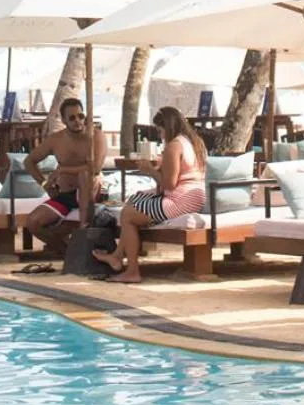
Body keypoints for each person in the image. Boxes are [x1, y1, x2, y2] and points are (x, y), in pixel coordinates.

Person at [93, 107, 207, 285]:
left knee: (127, 215)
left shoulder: (174, 146)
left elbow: (169, 184)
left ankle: (132, 271)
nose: (160, 135)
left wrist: (149, 171)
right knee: (134, 199)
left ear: (167, 127)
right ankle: (116, 256)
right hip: (195, 196)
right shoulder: (194, 142)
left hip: (180, 200)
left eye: (160, 130)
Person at [22, 99, 107, 247]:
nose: (78, 121)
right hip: (66, 194)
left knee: (84, 175)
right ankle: (67, 250)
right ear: (63, 120)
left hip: (91, 193)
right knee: (33, 222)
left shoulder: (96, 136)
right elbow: (29, 161)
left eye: (81, 116)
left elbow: (96, 169)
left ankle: (83, 229)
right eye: (72, 118)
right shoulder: (56, 139)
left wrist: (62, 169)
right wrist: (45, 184)